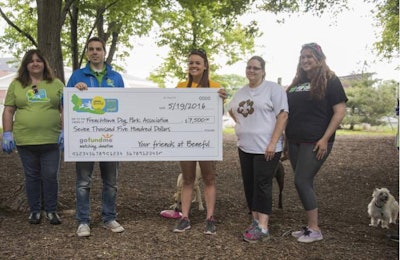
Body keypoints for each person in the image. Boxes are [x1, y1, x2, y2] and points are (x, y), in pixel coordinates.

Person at [285, 43, 347, 243]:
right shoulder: (296, 84)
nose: (305, 60)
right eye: (302, 56)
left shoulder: (331, 80)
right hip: (294, 140)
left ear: (320, 59)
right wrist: (286, 141)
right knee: (305, 181)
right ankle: (309, 227)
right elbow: (289, 113)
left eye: (310, 56)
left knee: (301, 180)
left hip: (315, 141)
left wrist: (325, 138)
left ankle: (315, 228)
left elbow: (339, 112)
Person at [66, 37, 125, 237]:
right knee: (83, 182)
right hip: (86, 138)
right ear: (87, 53)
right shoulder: (77, 76)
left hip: (110, 138)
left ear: (104, 52)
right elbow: (66, 102)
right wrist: (76, 91)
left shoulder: (116, 77)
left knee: (111, 182)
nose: (94, 52)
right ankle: (83, 221)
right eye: (91, 49)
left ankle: (109, 217)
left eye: (98, 49)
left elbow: (124, 105)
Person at [227, 56, 288, 243]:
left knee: (262, 184)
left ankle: (263, 227)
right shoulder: (241, 92)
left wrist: (272, 143)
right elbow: (231, 110)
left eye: (256, 68)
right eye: (249, 67)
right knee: (249, 184)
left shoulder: (273, 89)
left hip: (267, 148)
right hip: (245, 147)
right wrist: (244, 127)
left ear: (263, 71)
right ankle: (254, 222)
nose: (251, 71)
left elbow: (283, 115)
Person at [2, 49, 64, 225]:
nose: (35, 63)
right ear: (26, 65)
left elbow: (65, 108)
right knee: (31, 176)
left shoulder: (56, 84)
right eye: (31, 61)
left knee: (51, 175)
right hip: (25, 141)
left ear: (44, 63)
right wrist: (7, 133)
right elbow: (8, 109)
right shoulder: (17, 85)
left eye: (38, 60)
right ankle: (35, 210)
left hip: (51, 140)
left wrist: (65, 131)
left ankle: (51, 210)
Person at [172, 49, 227, 235]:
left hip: (206, 140)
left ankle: (209, 218)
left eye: (197, 63)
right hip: (185, 140)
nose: (193, 66)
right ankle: (184, 217)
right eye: (191, 63)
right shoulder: (180, 87)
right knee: (187, 179)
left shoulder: (215, 87)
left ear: (205, 66)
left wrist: (221, 101)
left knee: (209, 178)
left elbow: (218, 115)